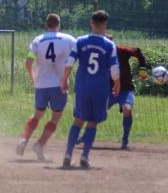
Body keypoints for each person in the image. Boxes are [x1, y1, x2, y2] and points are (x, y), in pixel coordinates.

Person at [61, 10, 120, 169]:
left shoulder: (80, 41)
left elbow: (69, 62)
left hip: (83, 87)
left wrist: (64, 79)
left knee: (79, 120)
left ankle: (67, 154)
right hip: (100, 89)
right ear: (105, 24)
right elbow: (114, 69)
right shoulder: (109, 44)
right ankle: (85, 156)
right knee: (93, 122)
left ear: (91, 23)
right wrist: (117, 83)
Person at [15, 14, 76, 161]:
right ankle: (40, 144)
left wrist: (34, 78)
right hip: (59, 84)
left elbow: (29, 62)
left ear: (46, 25)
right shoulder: (69, 39)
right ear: (58, 24)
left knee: (37, 115)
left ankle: (24, 139)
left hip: (41, 84)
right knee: (55, 117)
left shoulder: (38, 39)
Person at [77, 35, 148, 149]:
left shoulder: (121, 51)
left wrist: (143, 71)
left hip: (125, 89)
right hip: (107, 91)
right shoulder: (98, 56)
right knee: (95, 113)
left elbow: (138, 52)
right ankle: (85, 136)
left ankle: (125, 140)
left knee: (127, 109)